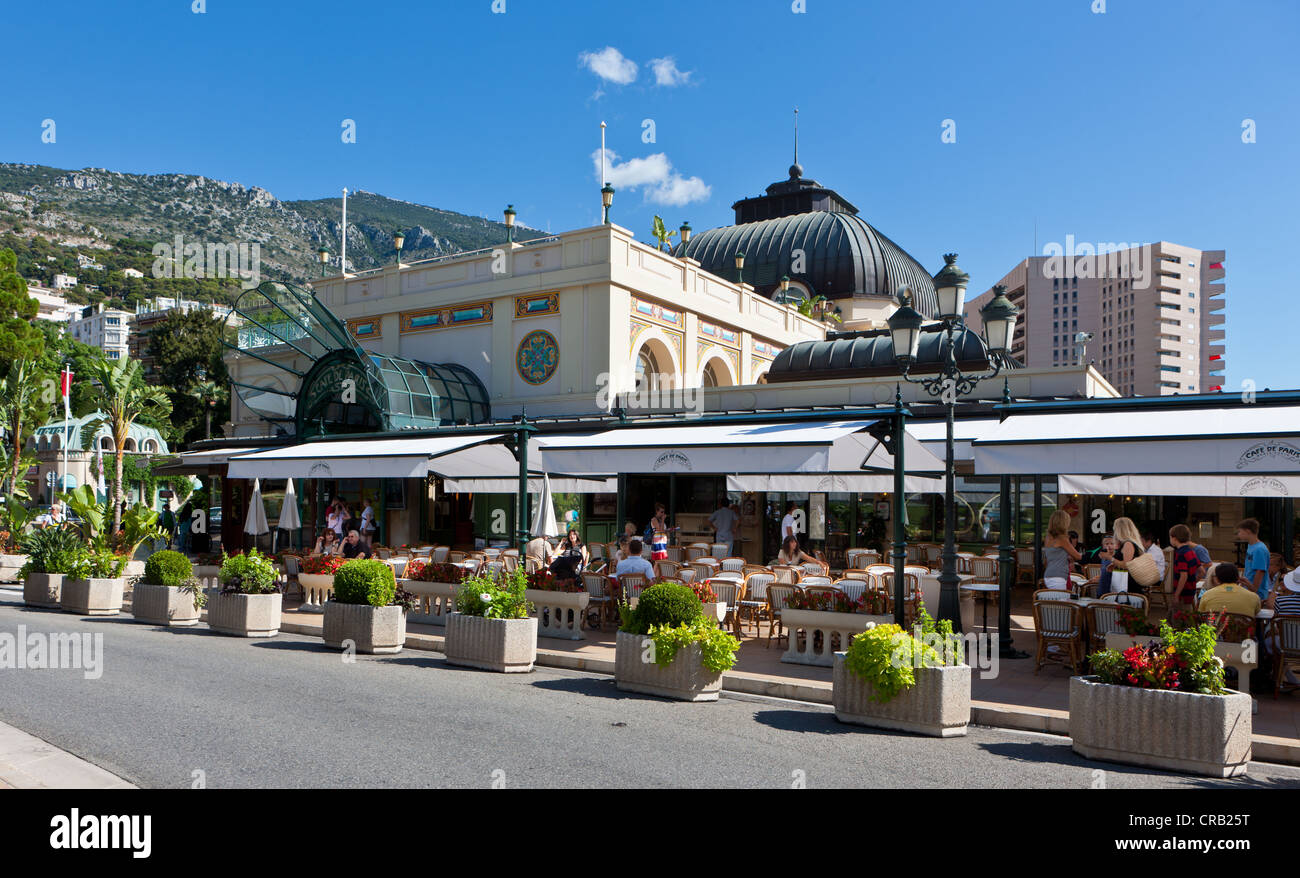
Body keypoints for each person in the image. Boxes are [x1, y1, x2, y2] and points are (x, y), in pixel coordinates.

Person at [1042, 510, 1081, 591]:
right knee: (1061, 603)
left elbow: (1050, 557)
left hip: (1048, 575)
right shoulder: (1062, 539)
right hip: (1058, 576)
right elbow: (1078, 556)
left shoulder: (1048, 538)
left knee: (1053, 602)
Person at [1238, 518, 1270, 601]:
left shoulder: (1259, 549)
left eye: (1240, 532)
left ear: (1247, 531)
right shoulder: (1251, 546)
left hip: (1256, 593)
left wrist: (1253, 588)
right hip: (1249, 590)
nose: (1239, 535)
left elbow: (1260, 571)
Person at [1168, 524, 1201, 605]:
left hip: (1182, 593)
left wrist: (1176, 595)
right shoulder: (1191, 552)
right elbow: (1202, 571)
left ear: (1174, 538)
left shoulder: (1180, 554)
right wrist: (1193, 581)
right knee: (1186, 613)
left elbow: (1183, 576)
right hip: (1190, 590)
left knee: (1178, 615)